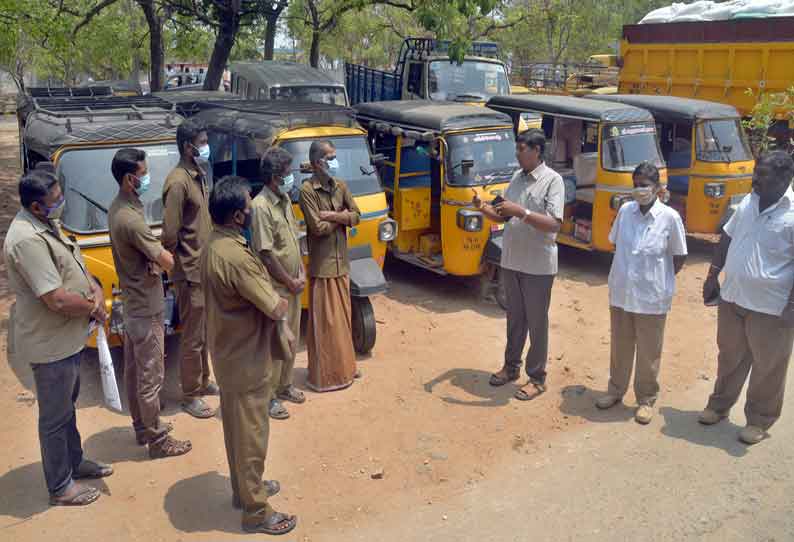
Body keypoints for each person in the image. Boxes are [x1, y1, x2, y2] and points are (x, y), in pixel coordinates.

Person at [4, 168, 113, 506]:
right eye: (56, 201)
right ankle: (60, 486)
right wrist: (93, 308)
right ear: (37, 207)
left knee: (67, 409)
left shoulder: (46, 225)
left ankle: (74, 462)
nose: (61, 203)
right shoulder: (26, 239)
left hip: (67, 339)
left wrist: (95, 292)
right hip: (49, 346)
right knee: (54, 418)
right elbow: (57, 299)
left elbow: (79, 269)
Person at [201, 176, 297, 535]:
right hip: (246, 358)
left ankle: (245, 491)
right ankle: (257, 511)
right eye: (248, 204)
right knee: (252, 436)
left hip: (229, 354)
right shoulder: (237, 257)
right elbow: (273, 305)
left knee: (237, 432)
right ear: (239, 216)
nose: (251, 209)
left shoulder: (215, 243)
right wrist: (282, 303)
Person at [700, 151, 794, 445]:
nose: (755, 178)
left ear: (784, 178)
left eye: (762, 174)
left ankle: (759, 420)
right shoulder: (747, 202)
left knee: (768, 366)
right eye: (757, 171)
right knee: (728, 356)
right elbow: (727, 237)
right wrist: (712, 275)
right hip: (733, 298)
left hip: (772, 307)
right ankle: (719, 406)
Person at [108, 148, 192, 458]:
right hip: (146, 305)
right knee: (151, 373)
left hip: (134, 302)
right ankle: (157, 439)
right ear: (130, 179)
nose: (147, 178)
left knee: (134, 369)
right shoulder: (131, 220)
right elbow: (166, 260)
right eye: (143, 174)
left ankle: (142, 427)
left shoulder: (119, 207)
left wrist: (153, 261)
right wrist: (161, 260)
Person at [474, 128, 564, 401]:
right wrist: (483, 208)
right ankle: (511, 368)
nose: (517, 154)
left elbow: (554, 223)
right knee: (515, 319)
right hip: (512, 261)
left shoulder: (553, 181)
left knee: (537, 322)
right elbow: (503, 217)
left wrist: (521, 212)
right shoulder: (516, 178)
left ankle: (536, 378)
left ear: (536, 151)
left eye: (521, 149)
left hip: (538, 265)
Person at [595, 162, 687, 424]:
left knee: (649, 352)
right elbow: (615, 244)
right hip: (622, 292)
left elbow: (679, 257)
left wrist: (658, 280)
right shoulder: (625, 211)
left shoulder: (669, 217)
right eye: (636, 185)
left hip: (651, 296)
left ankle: (646, 400)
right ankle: (615, 391)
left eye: (645, 185)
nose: (640, 190)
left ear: (657, 188)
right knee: (620, 347)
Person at [162, 118, 217, 419]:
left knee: (204, 331)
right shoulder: (178, 182)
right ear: (188, 146)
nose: (207, 147)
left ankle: (203, 381)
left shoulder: (198, 174)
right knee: (193, 336)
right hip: (190, 270)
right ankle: (190, 394)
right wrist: (179, 266)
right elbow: (170, 234)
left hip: (203, 267)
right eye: (204, 141)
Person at [298, 140, 361, 392]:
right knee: (326, 325)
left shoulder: (341, 186)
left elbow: (357, 215)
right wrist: (342, 217)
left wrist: (333, 215)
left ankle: (347, 367)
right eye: (329, 158)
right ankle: (326, 376)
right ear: (316, 164)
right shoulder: (307, 190)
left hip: (341, 264)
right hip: (322, 267)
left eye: (335, 157)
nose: (334, 162)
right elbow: (317, 228)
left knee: (343, 320)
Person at [250, 147, 306, 420]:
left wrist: (302, 273)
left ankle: (285, 386)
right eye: (286, 174)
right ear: (274, 177)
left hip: (294, 284)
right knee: (275, 344)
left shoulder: (283, 200)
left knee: (292, 340)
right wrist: (289, 281)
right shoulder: (260, 206)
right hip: (277, 288)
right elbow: (266, 253)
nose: (290, 178)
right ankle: (270, 396)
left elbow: (294, 240)